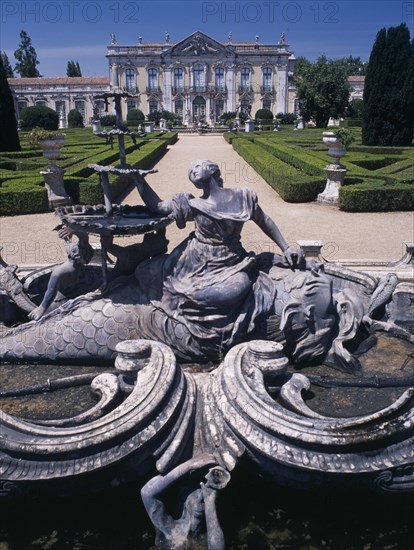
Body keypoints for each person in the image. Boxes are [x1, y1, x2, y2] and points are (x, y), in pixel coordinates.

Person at [133, 160, 303, 360]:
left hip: (230, 261)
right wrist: (138, 179)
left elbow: (264, 220)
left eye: (197, 166)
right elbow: (158, 206)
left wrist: (286, 247)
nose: (192, 170)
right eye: (190, 170)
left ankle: (193, 308)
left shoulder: (242, 196)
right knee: (145, 270)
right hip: (192, 260)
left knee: (237, 289)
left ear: (213, 170)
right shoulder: (192, 203)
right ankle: (185, 304)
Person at [141, 454, 230, 550]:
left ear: (184, 503)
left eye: (199, 496)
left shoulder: (176, 535)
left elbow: (147, 493)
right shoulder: (202, 536)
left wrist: (188, 465)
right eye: (202, 496)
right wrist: (209, 502)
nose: (202, 496)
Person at [28, 235, 94, 321]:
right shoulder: (60, 271)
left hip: (73, 298)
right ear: (74, 254)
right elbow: (51, 291)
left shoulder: (79, 266)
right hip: (59, 304)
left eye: (89, 254)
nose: (90, 257)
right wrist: (41, 308)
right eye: (86, 254)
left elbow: (84, 237)